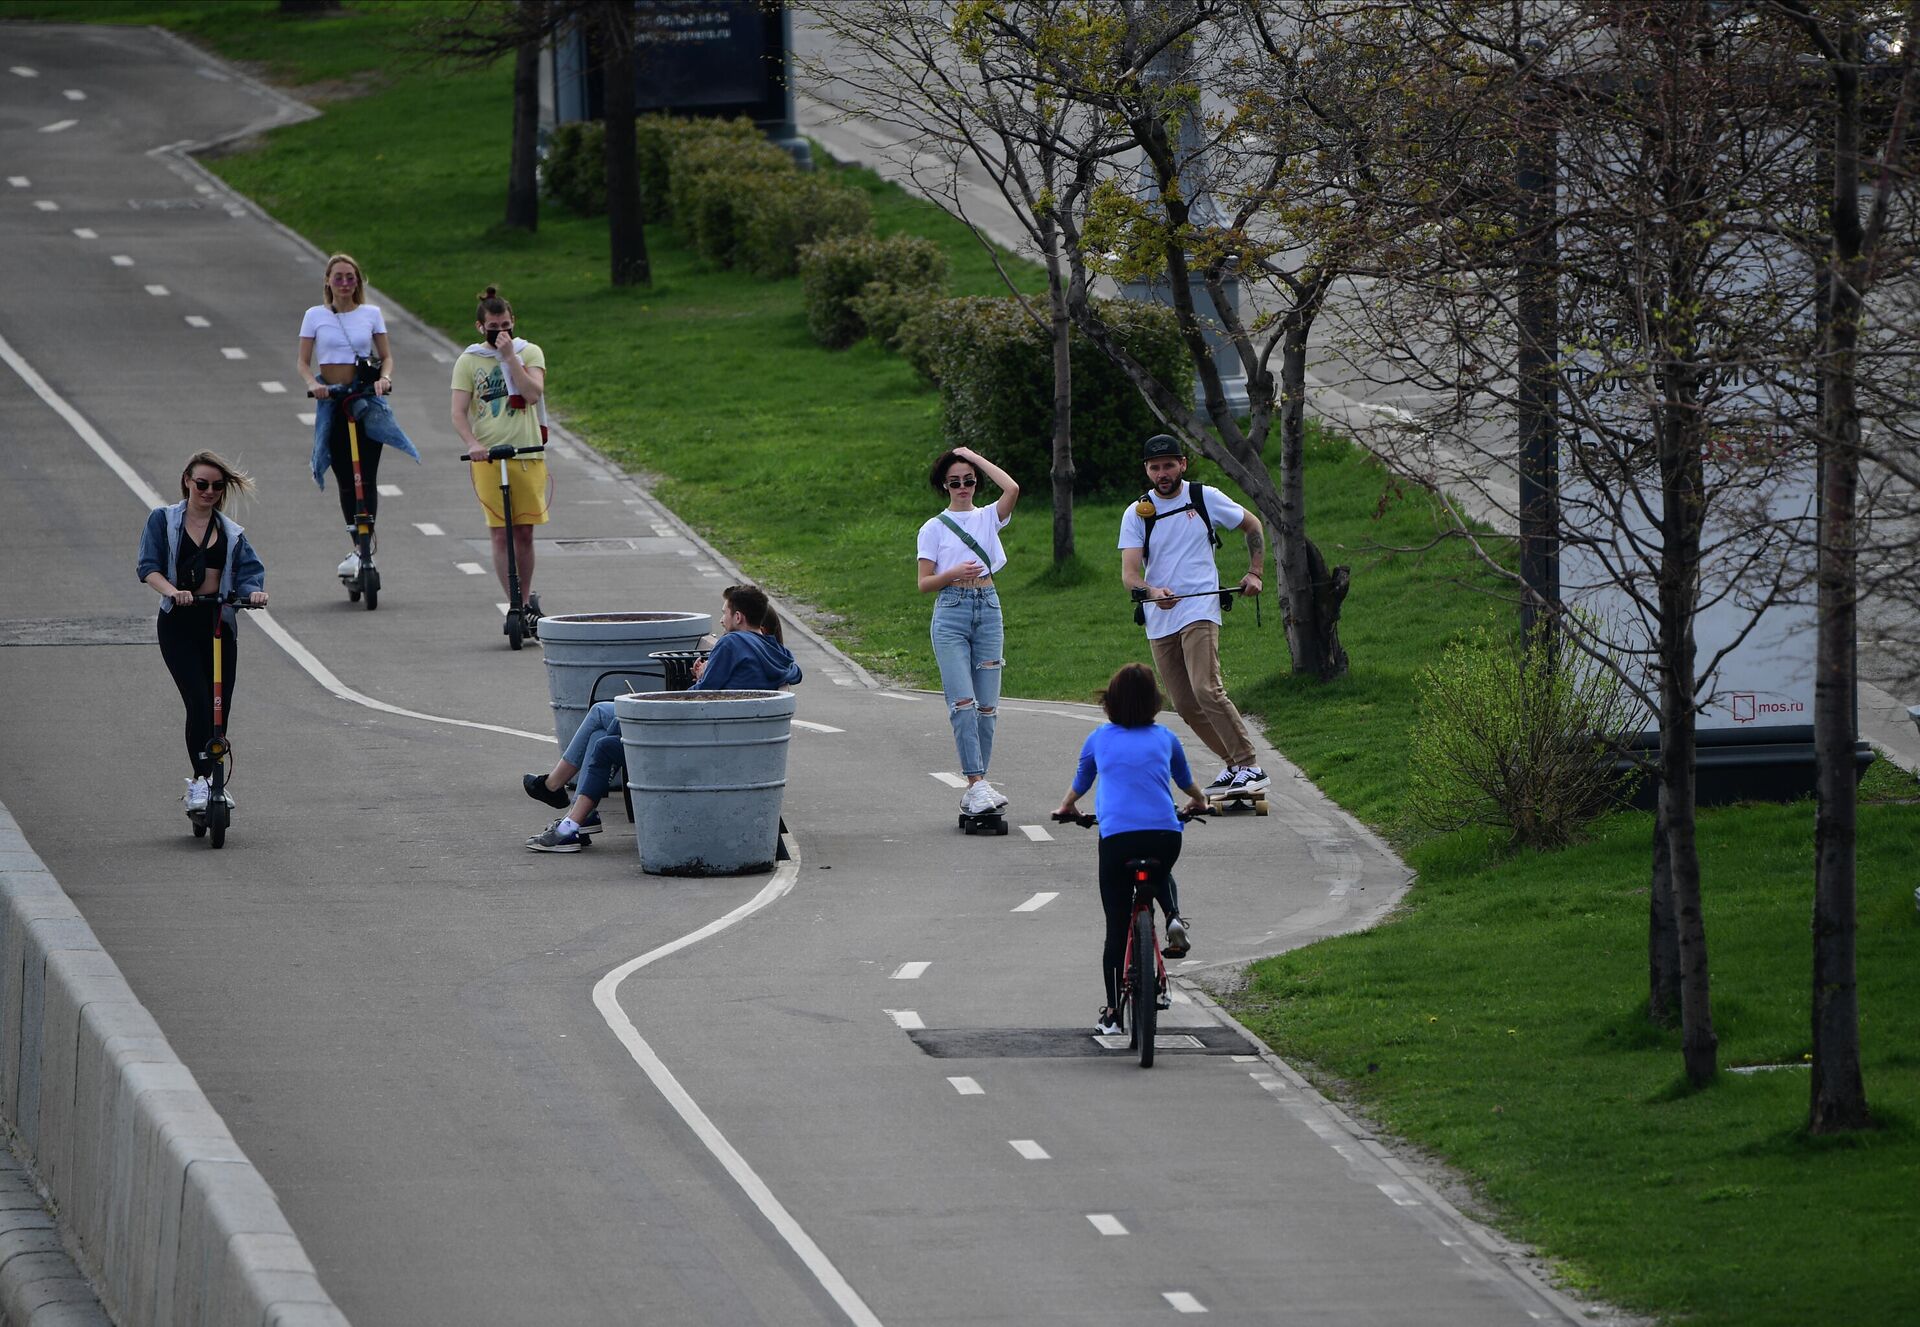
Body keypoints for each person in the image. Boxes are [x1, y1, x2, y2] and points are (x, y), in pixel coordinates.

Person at [522, 584, 801, 853]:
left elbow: (698, 699)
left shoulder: (732, 643)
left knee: (605, 725)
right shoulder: (776, 651)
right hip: (729, 740)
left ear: (738, 617)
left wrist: (702, 676)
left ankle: (558, 795)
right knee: (604, 739)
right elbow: (788, 674)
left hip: (693, 741)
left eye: (725, 612)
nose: (721, 618)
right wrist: (710, 674)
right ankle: (574, 822)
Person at [1054, 663, 1208, 1036]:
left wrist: (1066, 808)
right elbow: (1186, 783)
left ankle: (1111, 1013)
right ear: (1155, 702)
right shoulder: (1166, 737)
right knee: (1160, 869)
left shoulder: (1099, 738)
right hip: (1164, 836)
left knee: (1117, 927)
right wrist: (1200, 801)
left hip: (1118, 840)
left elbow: (1081, 782)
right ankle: (1171, 915)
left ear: (1111, 702)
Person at [1119, 433, 1269, 796]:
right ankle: (1234, 765)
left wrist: (1255, 572)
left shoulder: (1204, 497)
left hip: (1200, 607)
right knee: (1185, 703)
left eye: (1169, 465)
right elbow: (1130, 575)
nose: (1162, 473)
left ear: (1182, 465)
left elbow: (1253, 526)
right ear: (1147, 470)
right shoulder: (1137, 513)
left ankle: (1250, 765)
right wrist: (1152, 592)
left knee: (1206, 687)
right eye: (1155, 467)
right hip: (1160, 616)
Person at [136, 452, 269, 813]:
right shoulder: (163, 520)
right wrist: (172, 592)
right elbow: (148, 567)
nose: (208, 491)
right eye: (202, 484)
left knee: (218, 706)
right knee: (197, 699)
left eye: (216, 486)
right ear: (187, 482)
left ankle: (214, 782)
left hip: (217, 622)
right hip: (179, 623)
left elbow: (250, 570)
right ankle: (200, 782)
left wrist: (254, 590)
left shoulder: (230, 531)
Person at [295, 253, 420, 579]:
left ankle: (366, 549)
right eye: (339, 277)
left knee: (366, 475)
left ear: (358, 281)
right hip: (333, 400)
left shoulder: (371, 313)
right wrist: (314, 385)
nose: (345, 283)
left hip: (365, 397)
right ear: (327, 281)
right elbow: (303, 362)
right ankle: (356, 544)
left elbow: (386, 357)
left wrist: (384, 379)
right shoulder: (315, 316)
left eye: (350, 277)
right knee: (344, 477)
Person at [916, 446, 1020, 817]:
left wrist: (973, 457)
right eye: (955, 482)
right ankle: (975, 783)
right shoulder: (933, 527)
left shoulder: (988, 517)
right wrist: (953, 574)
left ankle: (980, 784)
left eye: (969, 480)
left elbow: (1012, 489)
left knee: (988, 707)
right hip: (951, 612)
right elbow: (925, 583)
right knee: (963, 704)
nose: (963, 487)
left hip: (988, 608)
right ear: (945, 485)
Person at [452, 285, 550, 628]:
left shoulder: (529, 352)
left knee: (524, 532)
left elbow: (533, 394)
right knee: (499, 532)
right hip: (490, 457)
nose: (500, 334)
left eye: (505, 326)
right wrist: (472, 444)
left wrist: (510, 358)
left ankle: (524, 602)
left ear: (513, 323)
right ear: (481, 327)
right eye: (493, 328)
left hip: (526, 452)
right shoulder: (469, 360)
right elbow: (459, 412)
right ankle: (514, 601)